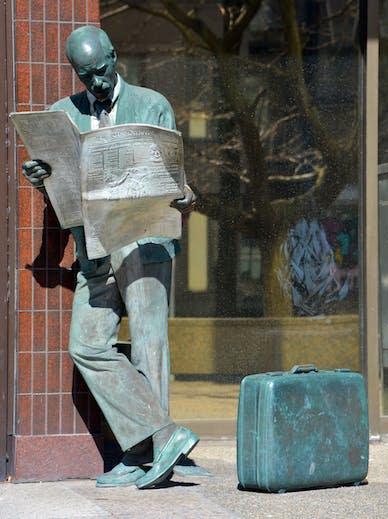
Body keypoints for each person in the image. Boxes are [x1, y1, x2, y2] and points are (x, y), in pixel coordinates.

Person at [22, 25, 198, 490]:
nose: (96, 84)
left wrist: (184, 197)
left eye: (101, 72)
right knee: (87, 345)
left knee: (147, 346)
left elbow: (173, 173)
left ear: (114, 57)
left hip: (143, 241)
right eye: (86, 77)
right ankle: (161, 439)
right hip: (93, 249)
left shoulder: (150, 103)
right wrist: (42, 176)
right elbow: (61, 190)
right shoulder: (64, 114)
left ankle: (148, 459)